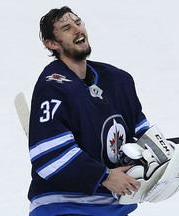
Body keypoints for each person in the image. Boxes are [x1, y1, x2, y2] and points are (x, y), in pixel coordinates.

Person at [28, 6, 151, 216]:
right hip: (64, 206)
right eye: (67, 28)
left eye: (79, 22)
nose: (77, 29)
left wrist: (160, 164)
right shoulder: (53, 86)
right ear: (51, 44)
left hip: (114, 208)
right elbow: (48, 156)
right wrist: (104, 176)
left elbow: (143, 139)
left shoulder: (118, 80)